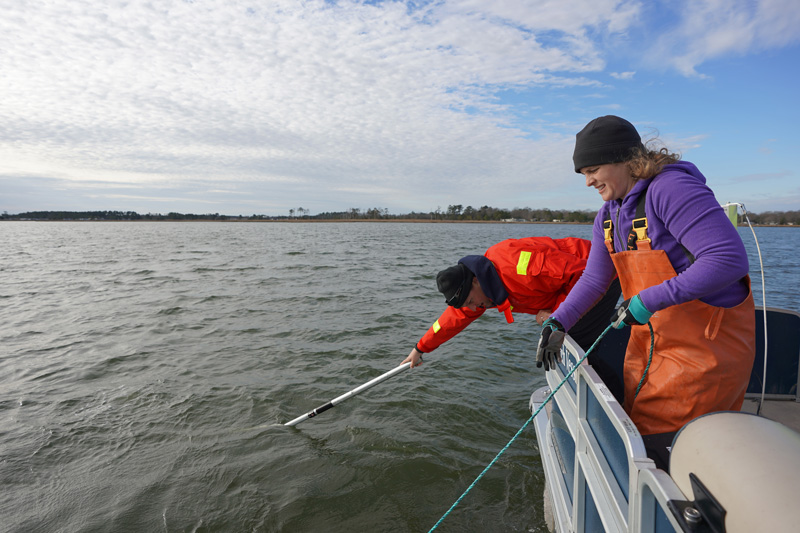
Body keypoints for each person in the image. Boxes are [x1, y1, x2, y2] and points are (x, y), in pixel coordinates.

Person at [536, 115, 756, 448]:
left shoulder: (671, 189)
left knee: (673, 447)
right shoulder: (607, 216)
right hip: (651, 348)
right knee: (639, 434)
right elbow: (595, 279)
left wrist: (647, 300)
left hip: (705, 352)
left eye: (592, 169)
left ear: (625, 159)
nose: (588, 181)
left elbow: (726, 260)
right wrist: (558, 321)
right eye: (583, 173)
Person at [402, 236, 622, 374]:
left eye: (471, 301)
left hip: (602, 271)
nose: (474, 307)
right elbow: (451, 320)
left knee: (576, 337)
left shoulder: (518, 265)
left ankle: (610, 390)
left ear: (475, 281)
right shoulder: (483, 290)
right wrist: (420, 348)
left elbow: (582, 273)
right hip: (580, 280)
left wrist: (556, 314)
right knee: (564, 334)